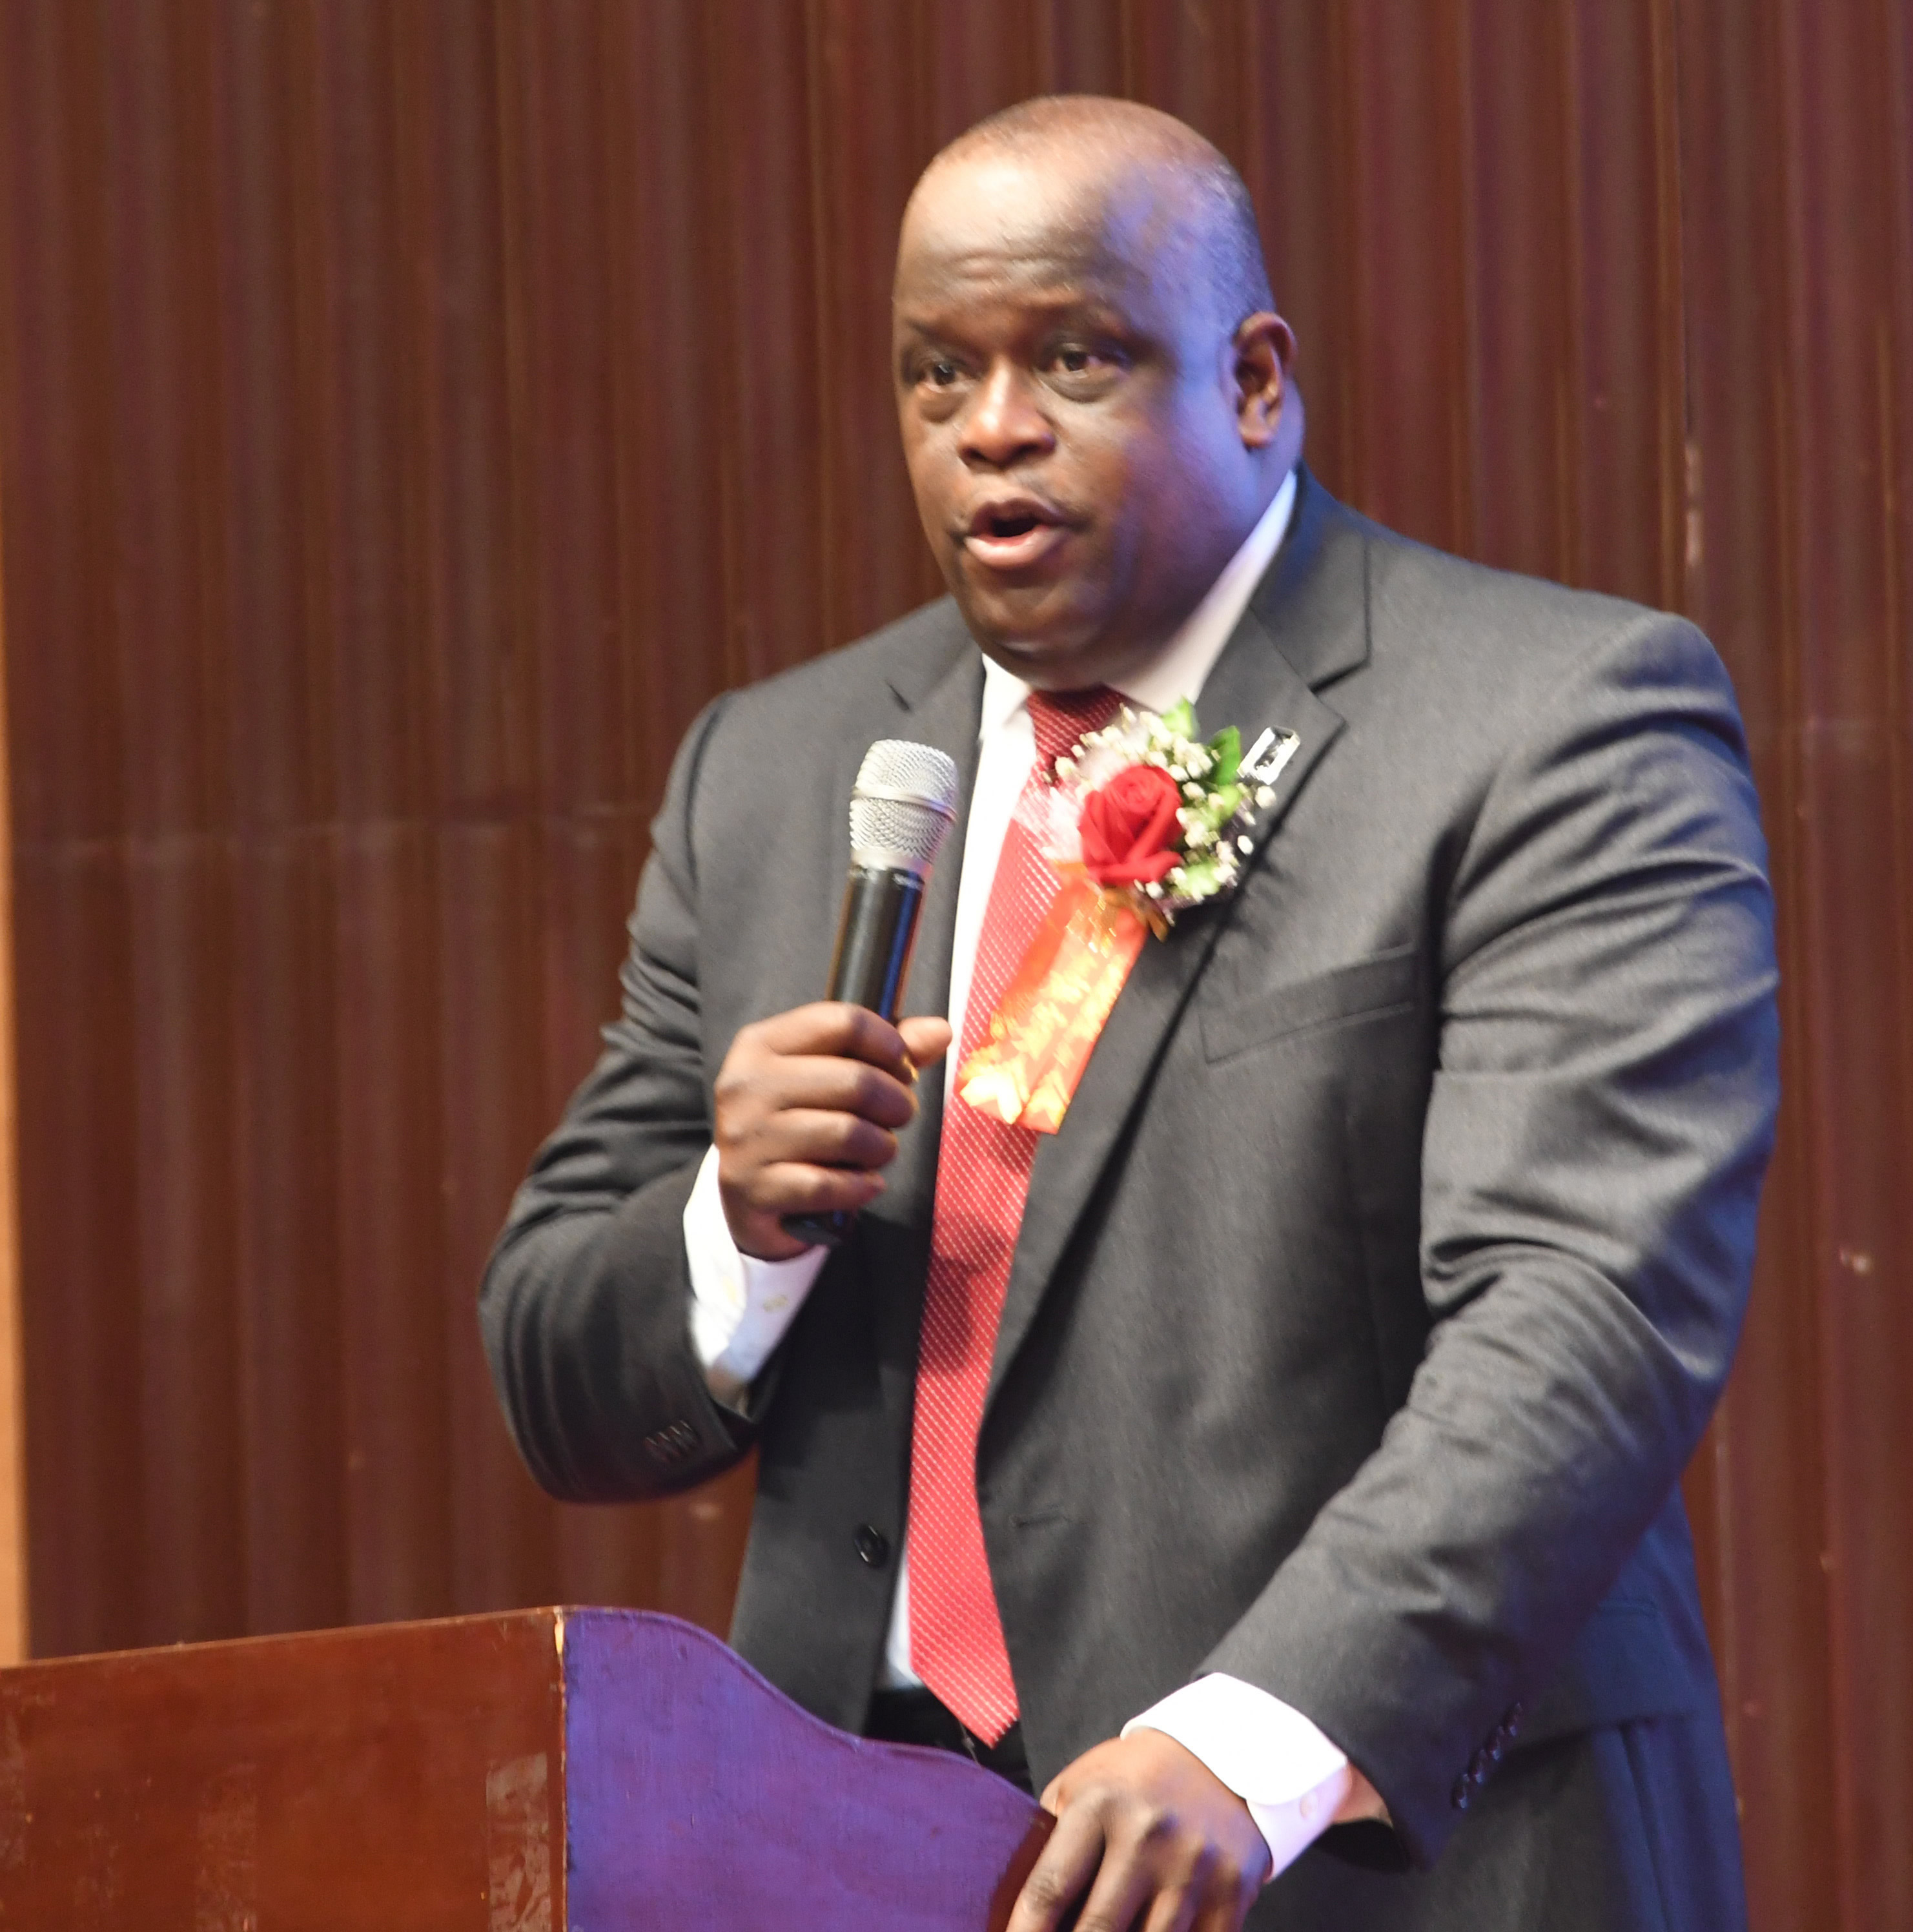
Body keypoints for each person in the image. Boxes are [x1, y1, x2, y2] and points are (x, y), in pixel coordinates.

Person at [481, 95, 1777, 1932]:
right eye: (938, 375)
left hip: (1376, 1846)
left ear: (1255, 383)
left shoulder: (1550, 723)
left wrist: (1258, 1738)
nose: (992, 429)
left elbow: (1586, 1317)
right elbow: (553, 1368)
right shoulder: (773, 777)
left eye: (1072, 357)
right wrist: (734, 1228)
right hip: (871, 1860)